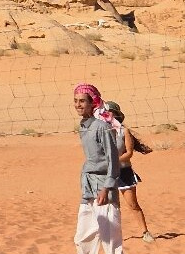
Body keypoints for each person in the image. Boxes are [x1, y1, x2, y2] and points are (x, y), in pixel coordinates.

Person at [73, 83, 123, 254]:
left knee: (111, 240)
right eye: (75, 101)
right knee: (83, 237)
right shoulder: (83, 126)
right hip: (88, 188)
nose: (78, 105)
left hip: (103, 187)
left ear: (92, 103)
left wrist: (106, 187)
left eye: (82, 101)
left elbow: (113, 159)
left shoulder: (102, 127)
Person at [104, 100, 155, 244]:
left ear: (114, 114)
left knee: (132, 204)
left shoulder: (123, 131)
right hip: (105, 173)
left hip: (123, 172)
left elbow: (129, 153)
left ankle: (145, 232)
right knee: (105, 206)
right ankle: (106, 235)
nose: (105, 114)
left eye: (108, 111)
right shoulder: (100, 130)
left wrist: (114, 161)